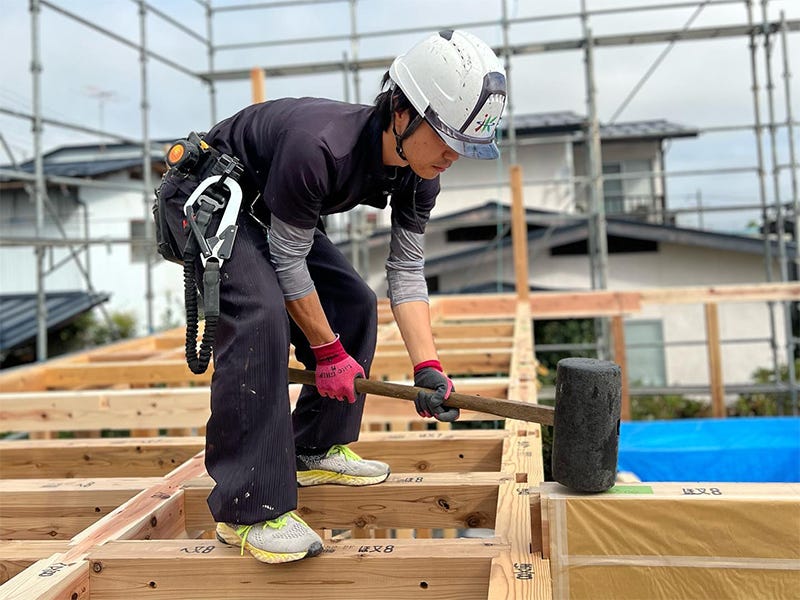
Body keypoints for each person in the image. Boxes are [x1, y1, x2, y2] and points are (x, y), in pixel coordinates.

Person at [157, 29, 506, 564]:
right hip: (208, 197)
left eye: (463, 146)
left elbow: (407, 271)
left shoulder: (420, 174)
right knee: (259, 315)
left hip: (266, 212)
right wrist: (327, 353)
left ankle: (315, 446)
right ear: (401, 111)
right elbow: (287, 260)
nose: (452, 156)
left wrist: (428, 367)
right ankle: (246, 509)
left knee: (354, 304)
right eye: (444, 138)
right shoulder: (322, 145)